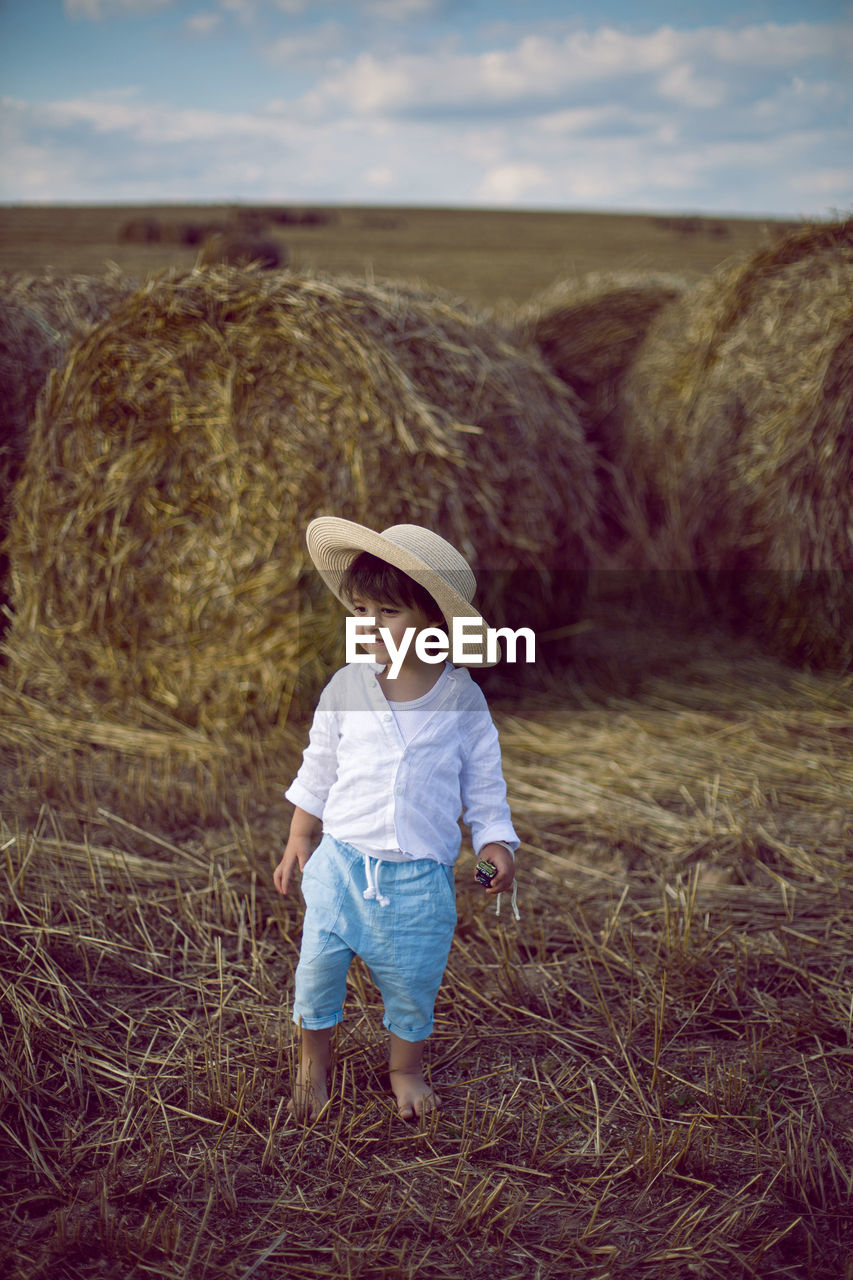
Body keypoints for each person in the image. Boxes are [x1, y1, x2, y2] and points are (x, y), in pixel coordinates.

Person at [274, 517, 519, 1121]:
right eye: (359, 608)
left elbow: (484, 784)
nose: (367, 624)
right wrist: (301, 834)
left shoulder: (462, 700)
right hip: (340, 865)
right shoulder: (345, 686)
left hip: (419, 881)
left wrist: (495, 844)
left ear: (435, 621)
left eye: (386, 612)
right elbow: (320, 764)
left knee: (413, 984)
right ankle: (312, 1066)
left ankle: (404, 1068)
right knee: (317, 973)